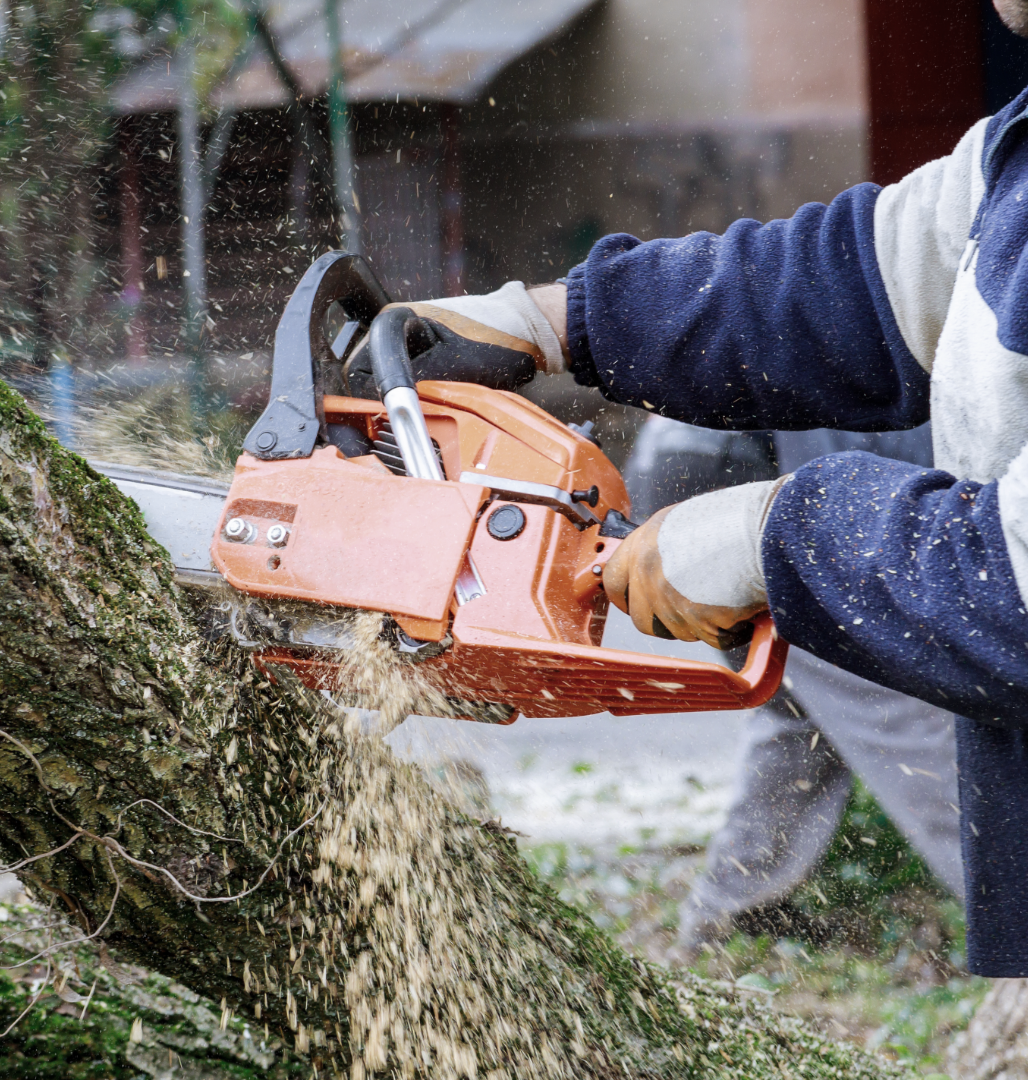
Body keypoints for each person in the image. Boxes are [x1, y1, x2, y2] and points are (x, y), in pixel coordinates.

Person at [374, 0, 1028, 977]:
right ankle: (738, 908)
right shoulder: (1014, 159)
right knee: (812, 689)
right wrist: (558, 321)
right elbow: (858, 277)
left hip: (829, 503)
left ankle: (762, 907)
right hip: (758, 470)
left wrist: (775, 541)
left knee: (869, 693)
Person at [624, 420, 964, 954]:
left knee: (795, 709)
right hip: (731, 488)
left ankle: (729, 913)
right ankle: (1011, 908)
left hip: (689, 471)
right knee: (891, 709)